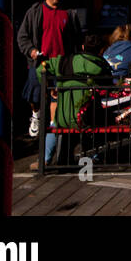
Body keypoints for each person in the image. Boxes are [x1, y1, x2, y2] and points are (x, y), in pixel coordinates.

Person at [33, 33, 111, 171]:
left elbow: (40, 69)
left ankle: (47, 159)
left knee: (54, 121)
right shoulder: (101, 66)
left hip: (63, 117)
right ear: (101, 50)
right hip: (88, 119)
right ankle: (93, 157)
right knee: (103, 117)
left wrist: (49, 87)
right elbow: (108, 90)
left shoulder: (63, 61)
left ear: (82, 46)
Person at [16, 0, 82, 136]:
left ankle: (54, 125)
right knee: (35, 93)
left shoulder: (69, 13)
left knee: (58, 94)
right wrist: (31, 50)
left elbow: (77, 39)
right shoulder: (34, 12)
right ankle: (36, 116)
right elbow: (22, 36)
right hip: (40, 60)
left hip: (61, 62)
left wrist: (76, 55)